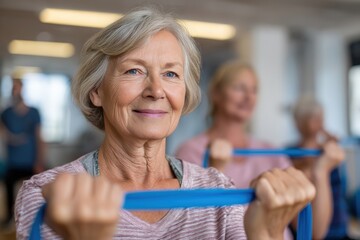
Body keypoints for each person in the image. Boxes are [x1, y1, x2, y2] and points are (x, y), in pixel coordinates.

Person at [15, 8, 315, 240]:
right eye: (134, 71)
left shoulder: (217, 189)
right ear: (96, 91)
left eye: (171, 74)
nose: (156, 90)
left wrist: (268, 232)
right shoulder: (45, 194)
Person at [175, 60, 344, 239]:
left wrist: (321, 171)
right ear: (216, 94)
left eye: (254, 90)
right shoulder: (190, 152)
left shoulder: (270, 151)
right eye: (239, 88)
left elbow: (315, 232)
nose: (249, 97)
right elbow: (194, 230)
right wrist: (215, 171)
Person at [290, 96, 350, 240]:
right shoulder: (289, 154)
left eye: (320, 117)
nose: (318, 122)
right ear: (299, 122)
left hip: (338, 227)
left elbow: (343, 189)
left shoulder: (329, 152)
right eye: (313, 117)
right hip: (307, 230)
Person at [0, 77, 45, 226]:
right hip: (13, 162)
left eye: (17, 87)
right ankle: (9, 219)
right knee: (9, 189)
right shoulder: (6, 113)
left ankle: (33, 220)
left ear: (22, 89)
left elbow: (39, 138)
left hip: (30, 162)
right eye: (13, 88)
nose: (15, 91)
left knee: (34, 192)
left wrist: (39, 161)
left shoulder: (34, 112)